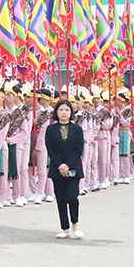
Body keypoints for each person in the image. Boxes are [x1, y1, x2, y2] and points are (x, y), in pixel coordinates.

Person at [46, 98, 85, 240]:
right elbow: (50, 149)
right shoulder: (51, 129)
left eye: (67, 110)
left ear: (71, 112)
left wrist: (67, 165)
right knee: (61, 198)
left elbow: (78, 149)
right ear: (56, 112)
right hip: (58, 168)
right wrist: (60, 165)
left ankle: (75, 224)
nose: (64, 112)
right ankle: (65, 228)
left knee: (72, 197)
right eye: (61, 109)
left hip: (73, 168)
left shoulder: (77, 129)